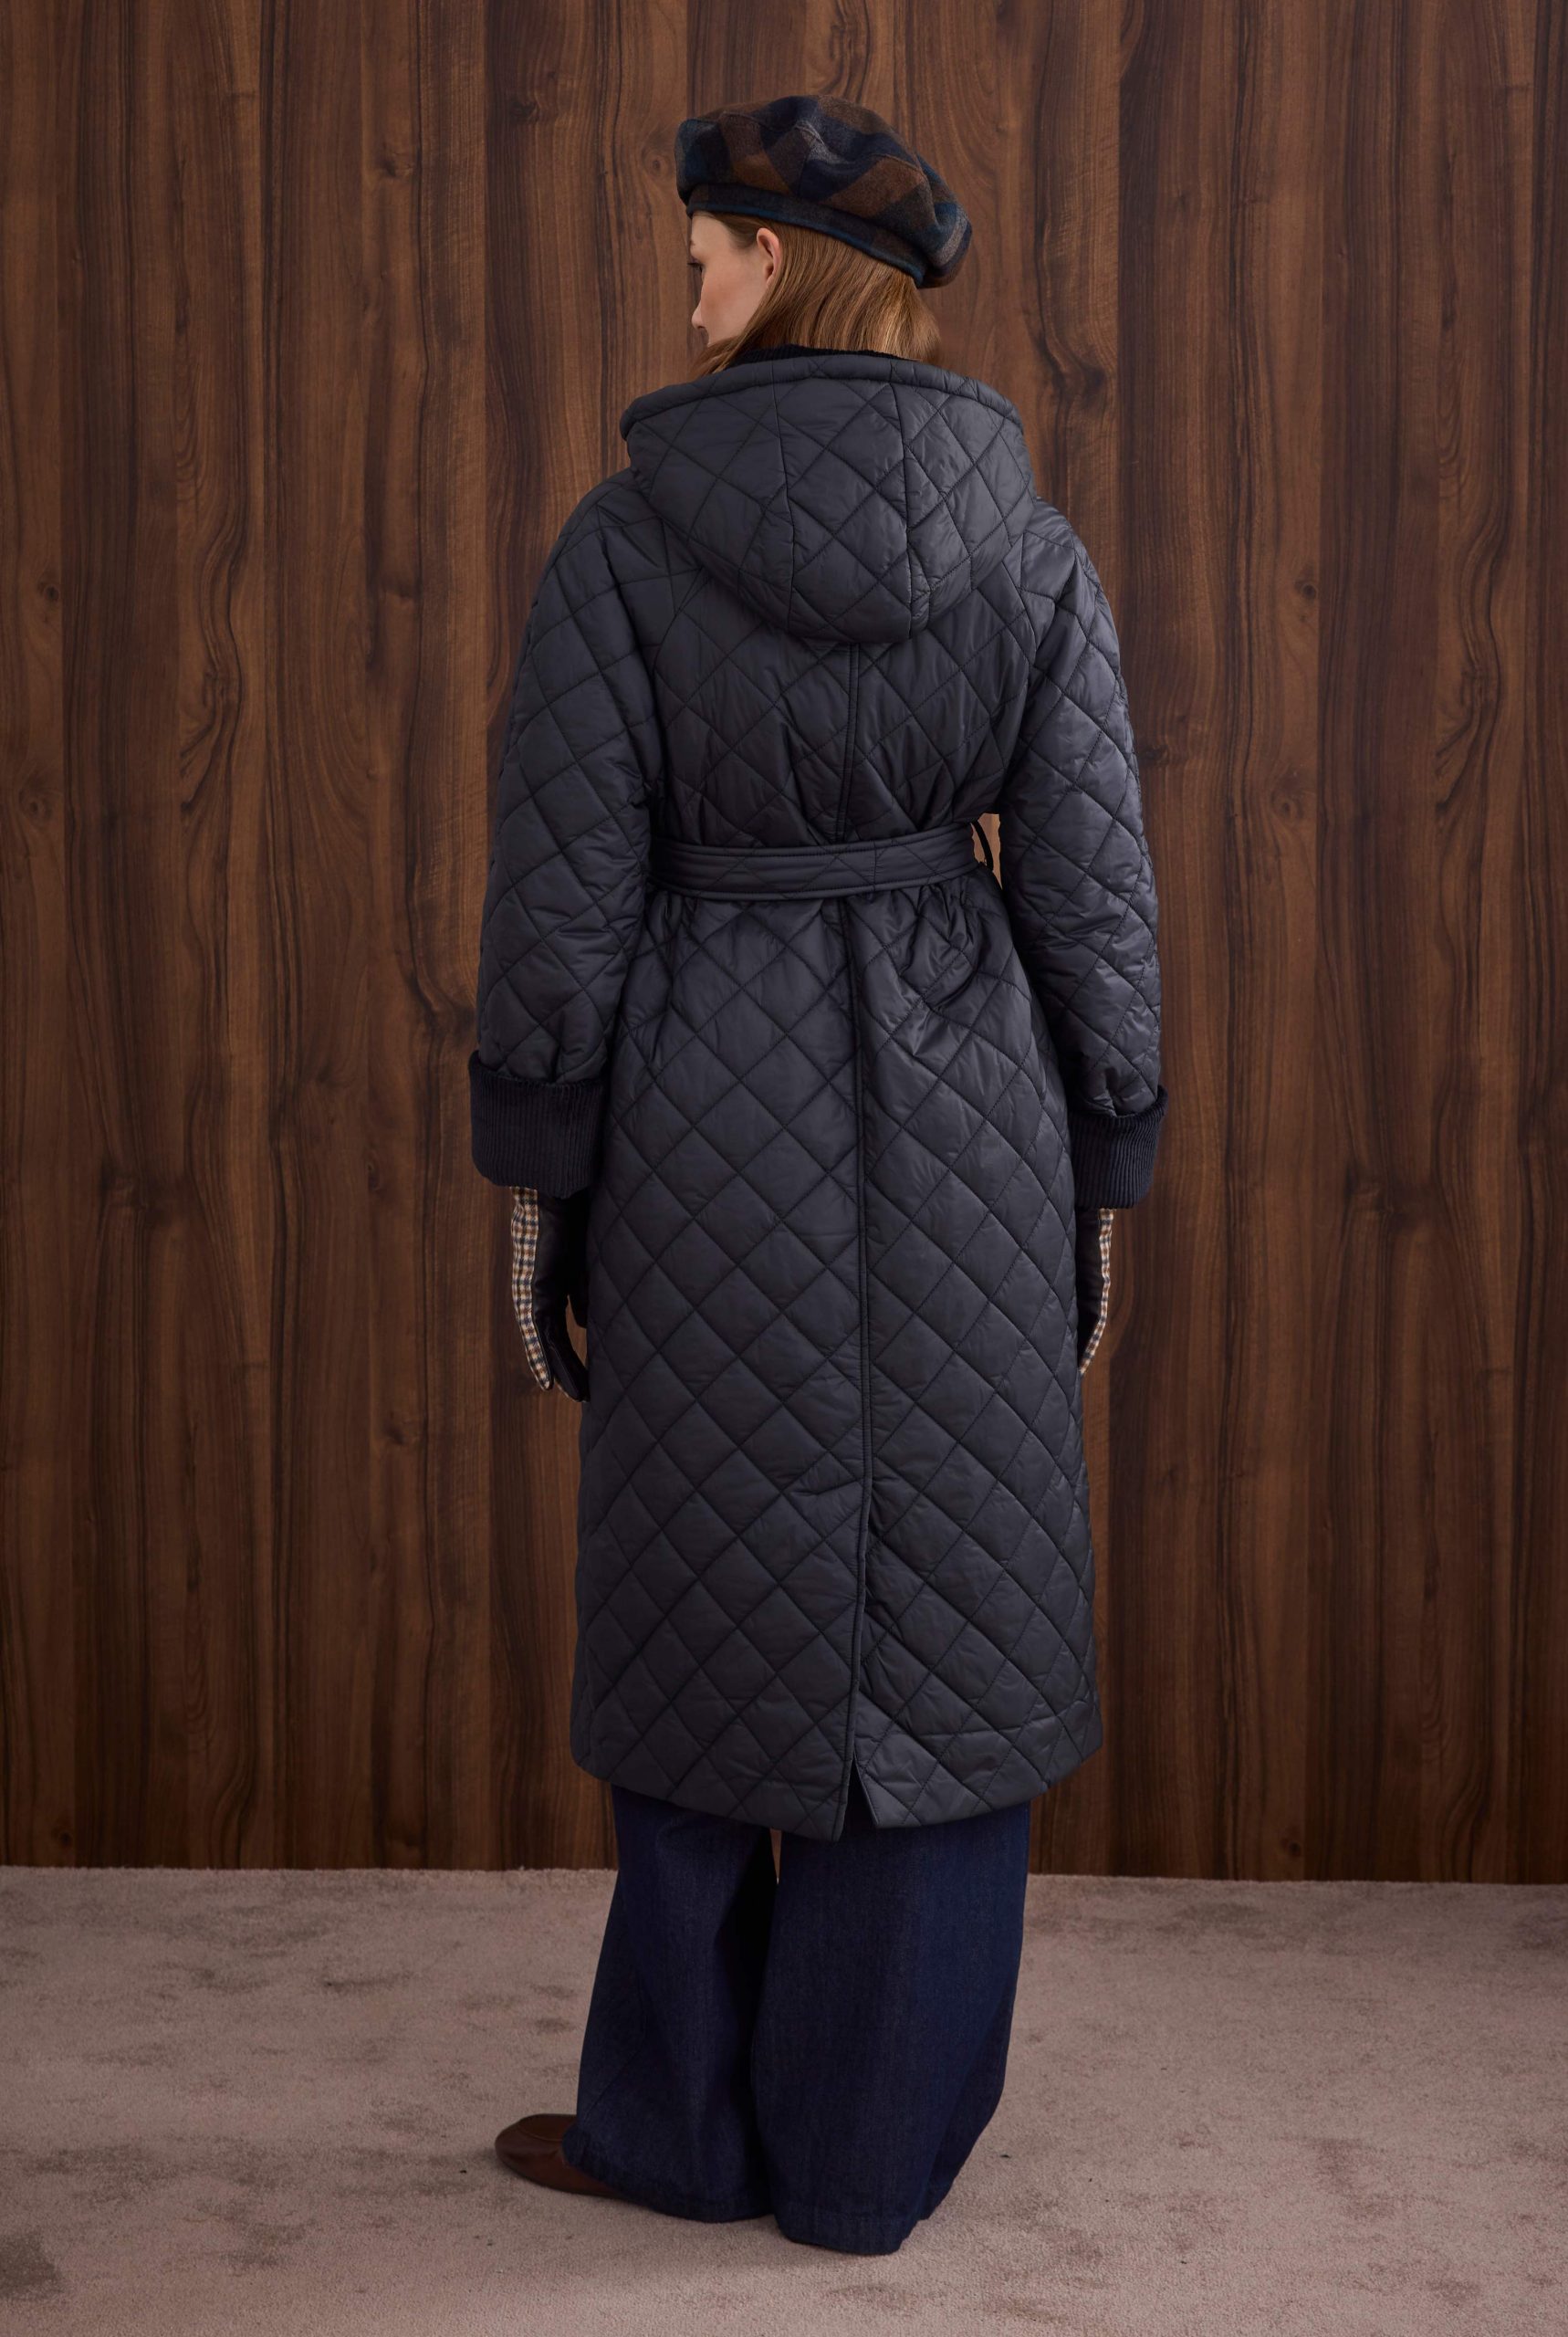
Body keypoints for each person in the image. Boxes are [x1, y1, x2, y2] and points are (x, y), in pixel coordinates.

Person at [467, 93, 1170, 2257]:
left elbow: (563, 898)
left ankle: (678, 2129)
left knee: (703, 1586)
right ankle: (870, 2155)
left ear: (773, 260)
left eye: (701, 242)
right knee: (946, 1601)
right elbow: (1092, 888)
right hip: (974, 1111)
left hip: (699, 1098)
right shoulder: (1030, 549)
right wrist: (1107, 1151)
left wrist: (540, 1172)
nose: (683, 274)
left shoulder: (620, 541)